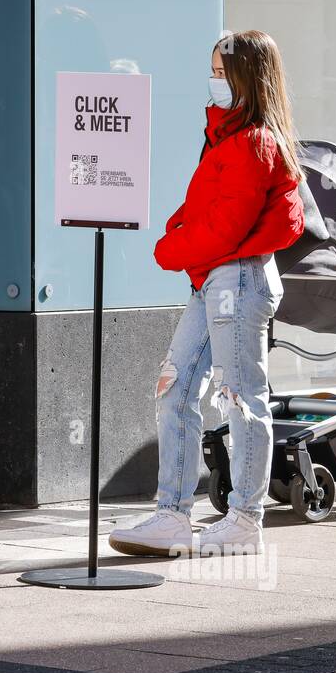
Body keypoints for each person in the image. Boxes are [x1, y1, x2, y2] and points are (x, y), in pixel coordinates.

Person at [110, 31, 304, 557]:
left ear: (247, 77)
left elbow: (224, 226)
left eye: (222, 71)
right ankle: (172, 514)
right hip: (215, 280)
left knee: (241, 397)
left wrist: (168, 249)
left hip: (235, 279)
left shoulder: (252, 142)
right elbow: (205, 212)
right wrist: (180, 242)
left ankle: (245, 518)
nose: (213, 80)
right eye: (212, 70)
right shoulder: (228, 137)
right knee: (176, 390)